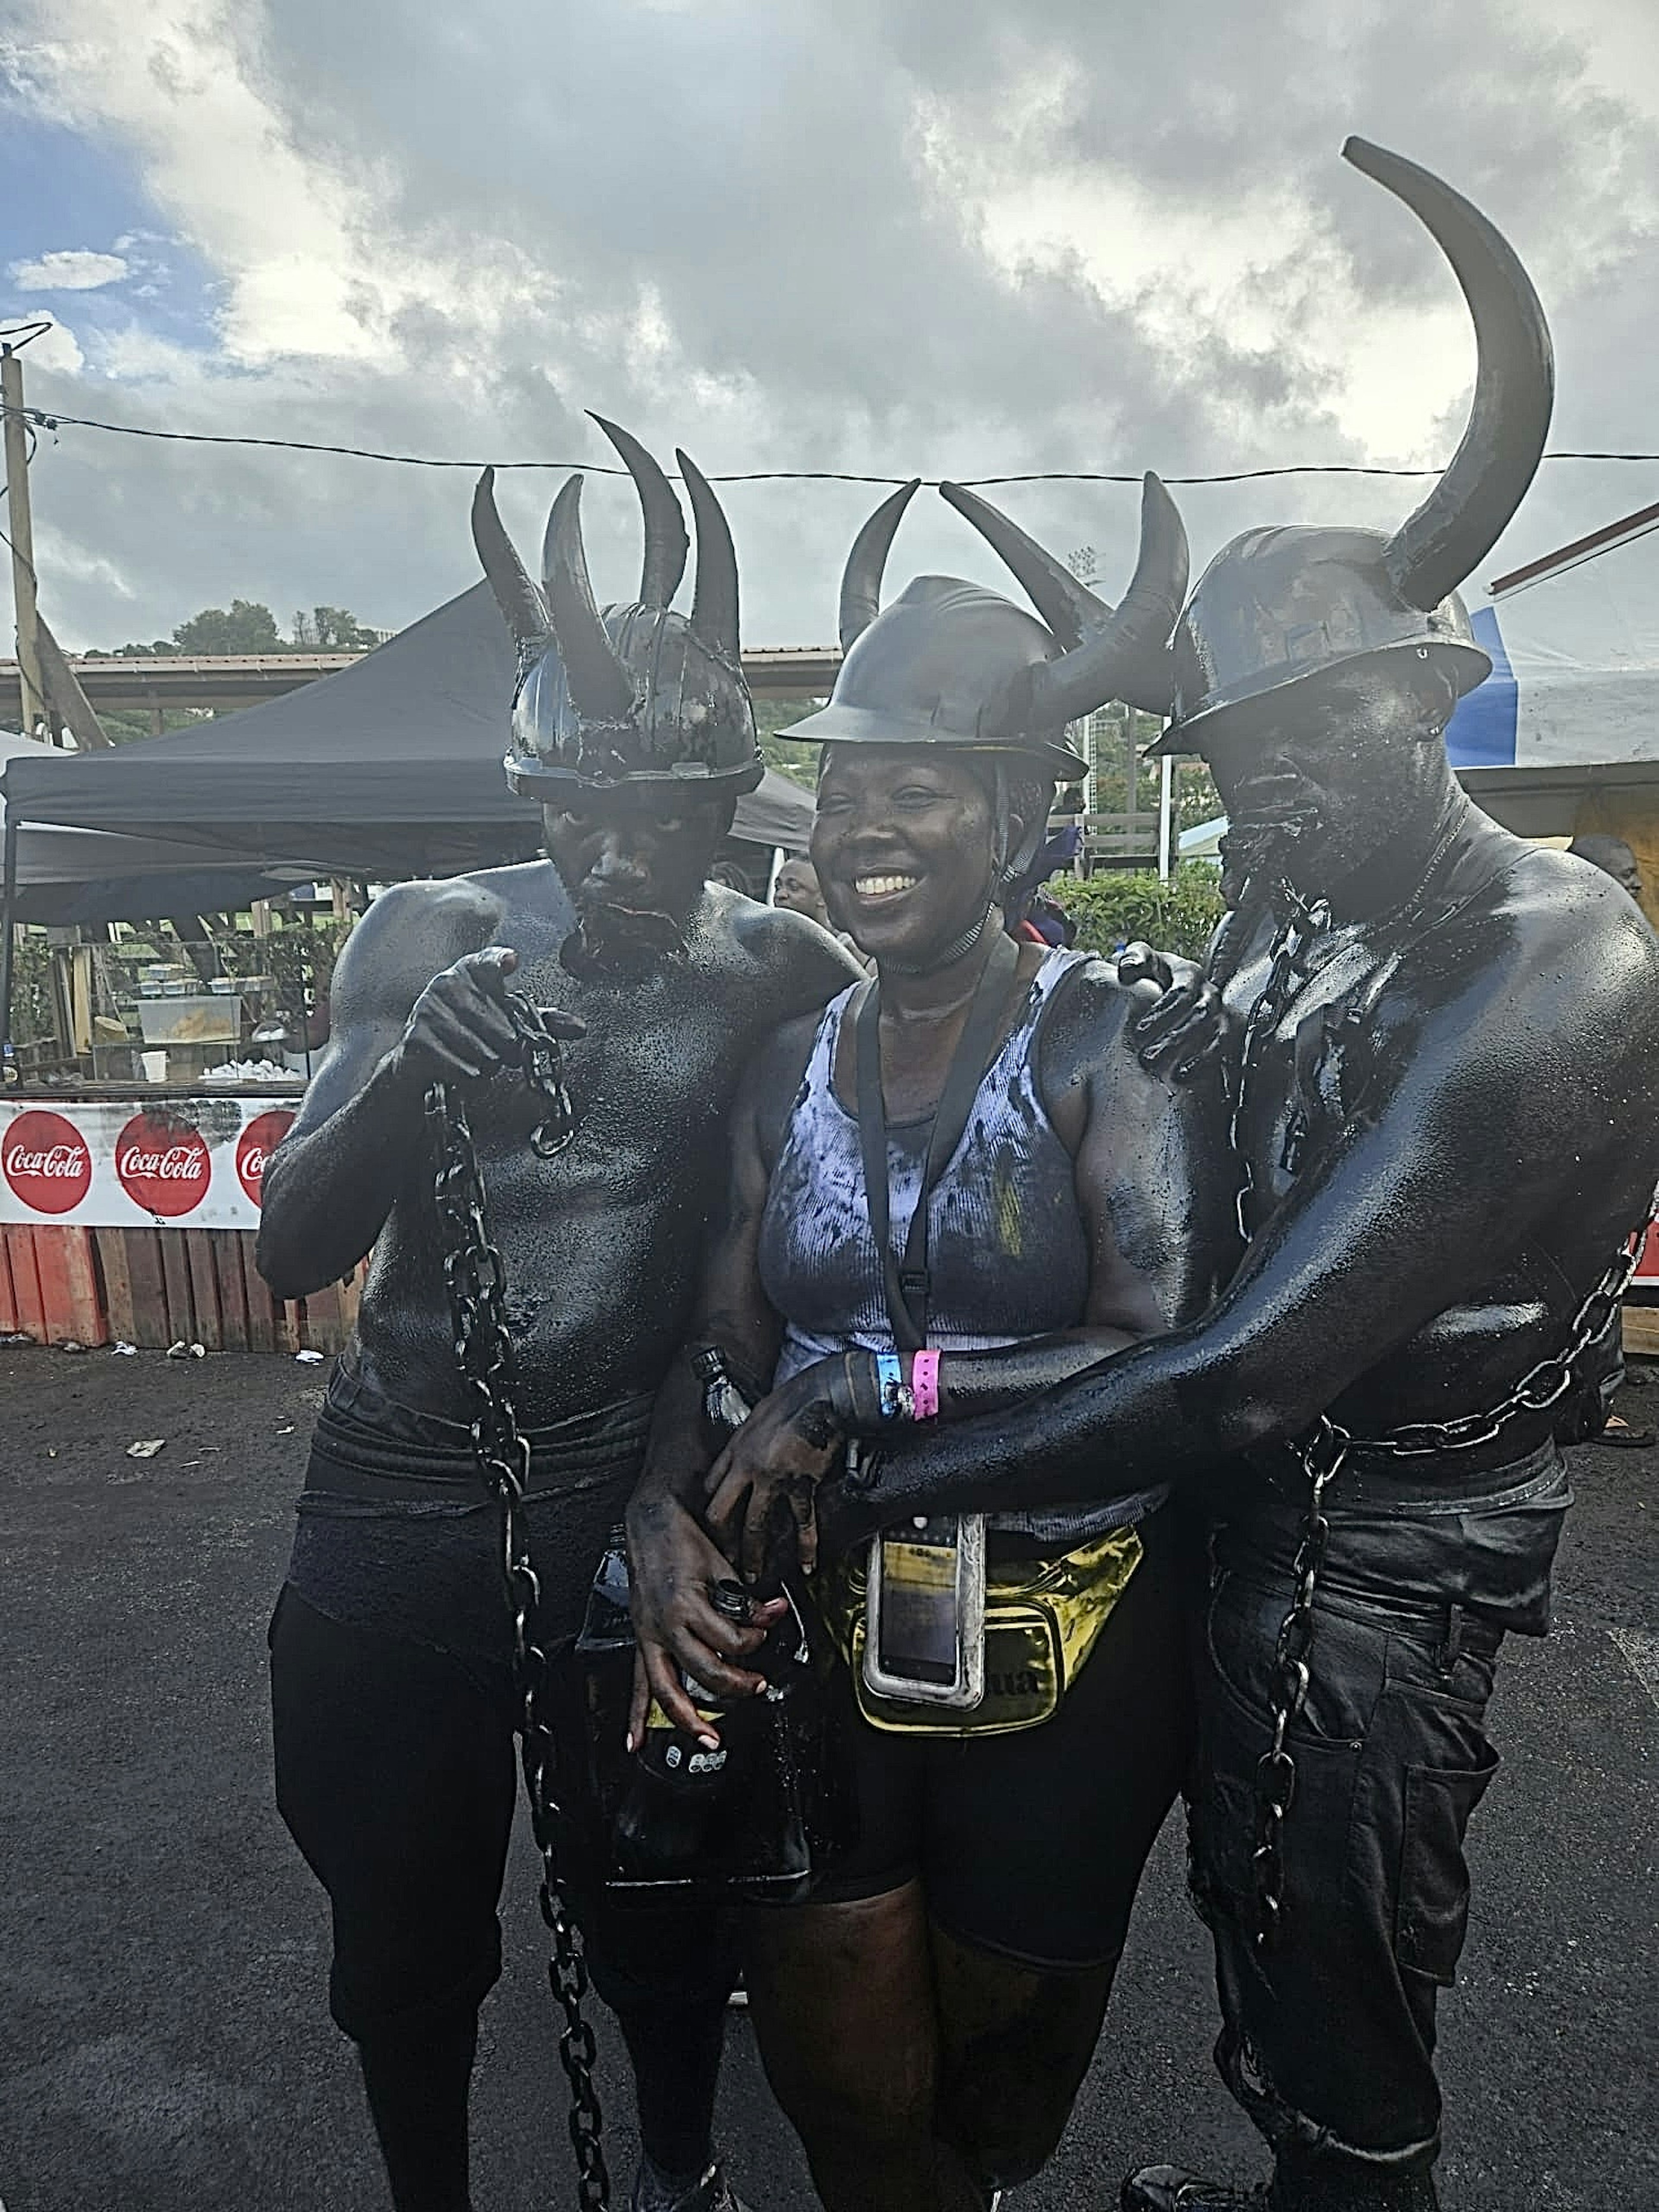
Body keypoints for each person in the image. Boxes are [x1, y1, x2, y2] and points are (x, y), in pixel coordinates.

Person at [803, 143, 1659, 2212]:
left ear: (1420, 700)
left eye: (1301, 745)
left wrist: (870, 1468)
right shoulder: (1286, 914)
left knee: (1351, 1960)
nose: (1256, 799)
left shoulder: (1553, 961)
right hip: (1243, 1516)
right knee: (1250, 1914)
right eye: (1229, 763)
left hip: (1385, 1538)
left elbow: (1242, 1368)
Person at [256, 418, 864, 2212]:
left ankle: (681, 2169)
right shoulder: (424, 933)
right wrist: (396, 1084)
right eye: (586, 817)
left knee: (667, 1903)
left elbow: (938, 1043)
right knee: (404, 1933)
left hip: (622, 1503)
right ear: (536, 805)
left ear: (719, 813)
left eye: (667, 820)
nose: (624, 858)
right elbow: (296, 1244)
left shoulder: (771, 962)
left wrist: (1117, 1008)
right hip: (397, 1499)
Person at [626, 475, 1235, 2212]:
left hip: (1075, 1635)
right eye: (839, 793)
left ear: (1024, 816)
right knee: (853, 2101)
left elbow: (1162, 1347)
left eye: (915, 792)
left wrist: (870, 1382)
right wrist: (658, 1506)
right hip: (809, 1627)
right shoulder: (785, 1064)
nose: (859, 831)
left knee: (1003, 2103)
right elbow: (720, 1342)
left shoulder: (1104, 1040)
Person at [770, 855, 832, 928]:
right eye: (778, 886)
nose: (779, 894)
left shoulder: (839, 938)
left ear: (824, 898)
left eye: (794, 887)